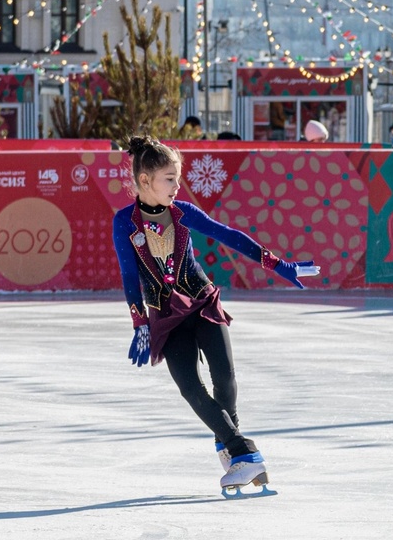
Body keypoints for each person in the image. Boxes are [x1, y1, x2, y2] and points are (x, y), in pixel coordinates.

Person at [112, 136, 319, 492]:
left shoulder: (183, 213)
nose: (177, 186)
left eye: (178, 178)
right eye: (169, 179)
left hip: (203, 303)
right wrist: (139, 322)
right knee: (191, 388)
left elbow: (229, 235)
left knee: (224, 378)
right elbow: (129, 276)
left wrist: (277, 264)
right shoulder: (124, 222)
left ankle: (232, 448)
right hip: (166, 316)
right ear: (145, 180)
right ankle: (243, 453)